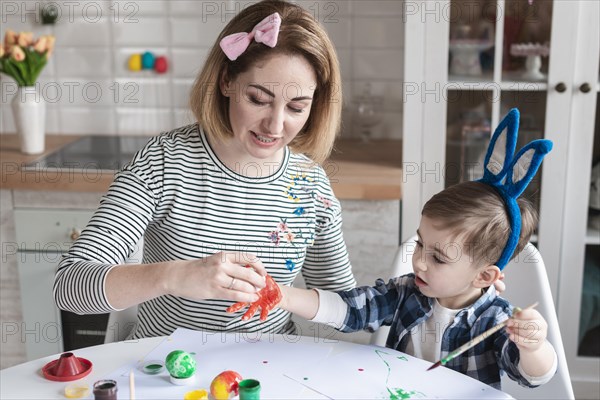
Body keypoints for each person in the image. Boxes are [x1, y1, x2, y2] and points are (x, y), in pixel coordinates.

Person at [53, 0, 357, 338]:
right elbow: (70, 285)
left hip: (268, 369)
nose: (275, 125)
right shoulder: (164, 163)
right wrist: (173, 276)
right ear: (226, 81)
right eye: (258, 99)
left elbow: (346, 307)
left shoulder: (310, 185)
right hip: (165, 368)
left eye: (297, 107)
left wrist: (282, 297)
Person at [227, 109, 558, 390]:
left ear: (484, 275)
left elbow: (533, 376)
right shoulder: (406, 293)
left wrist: (534, 345)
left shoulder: (495, 320)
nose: (420, 262)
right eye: (420, 244)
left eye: (438, 257)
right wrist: (281, 295)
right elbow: (347, 309)